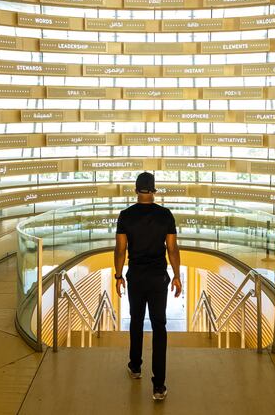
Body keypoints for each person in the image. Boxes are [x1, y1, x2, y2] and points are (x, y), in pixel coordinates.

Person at [114, 171, 181, 401]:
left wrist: (118, 275)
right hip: (158, 278)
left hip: (136, 277)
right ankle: (159, 386)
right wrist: (177, 276)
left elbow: (120, 249)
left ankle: (135, 367)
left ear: (136, 190)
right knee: (159, 326)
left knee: (135, 320)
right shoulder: (165, 215)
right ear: (154, 190)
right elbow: (172, 248)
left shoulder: (125, 216)